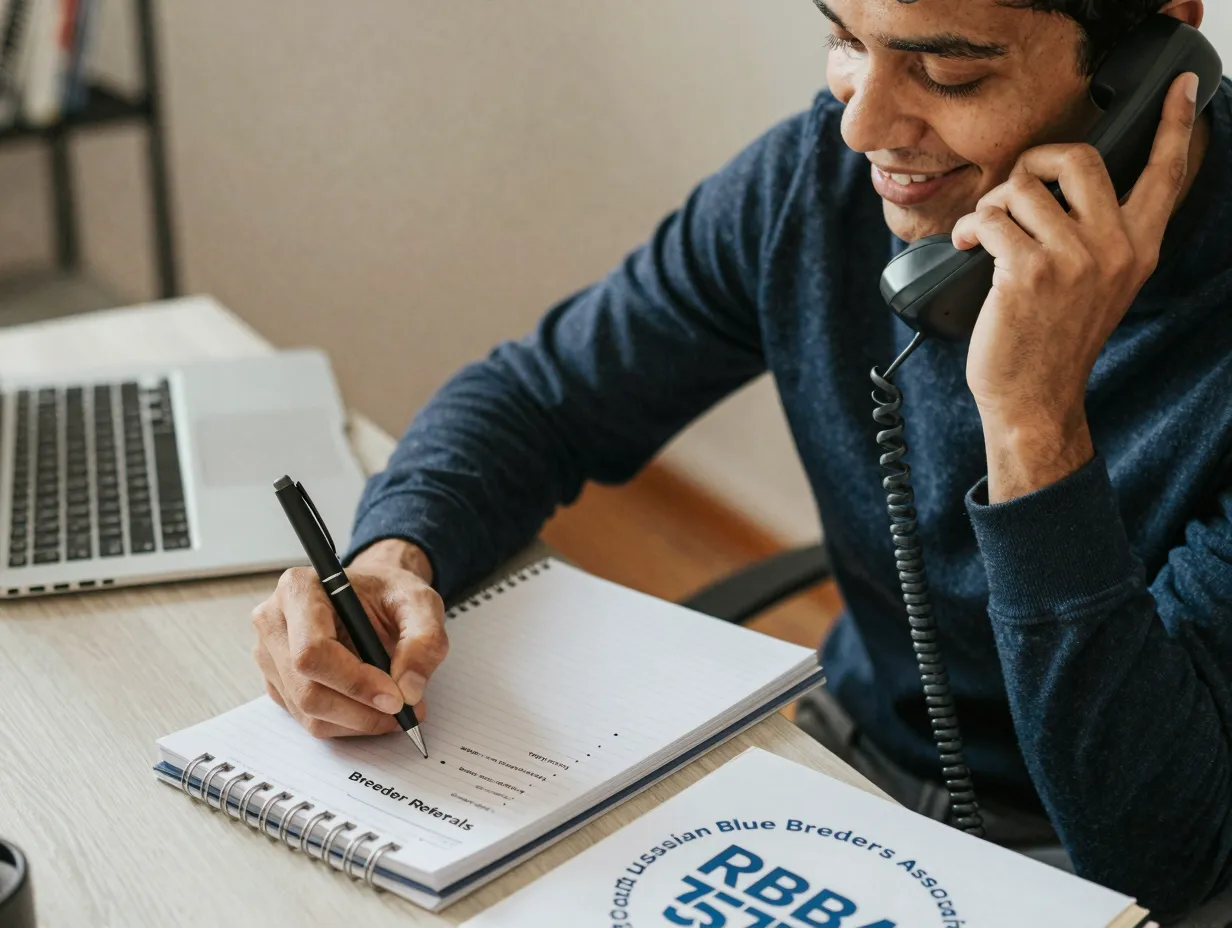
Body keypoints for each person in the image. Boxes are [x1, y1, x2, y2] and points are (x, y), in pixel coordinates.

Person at [250, 0, 1232, 919]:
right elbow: (542, 397)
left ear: (1151, 47)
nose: (861, 126)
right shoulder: (815, 182)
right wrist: (394, 553)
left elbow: (1160, 850)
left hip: (1109, 853)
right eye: (845, 39)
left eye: (945, 72)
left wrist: (1028, 423)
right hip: (848, 760)